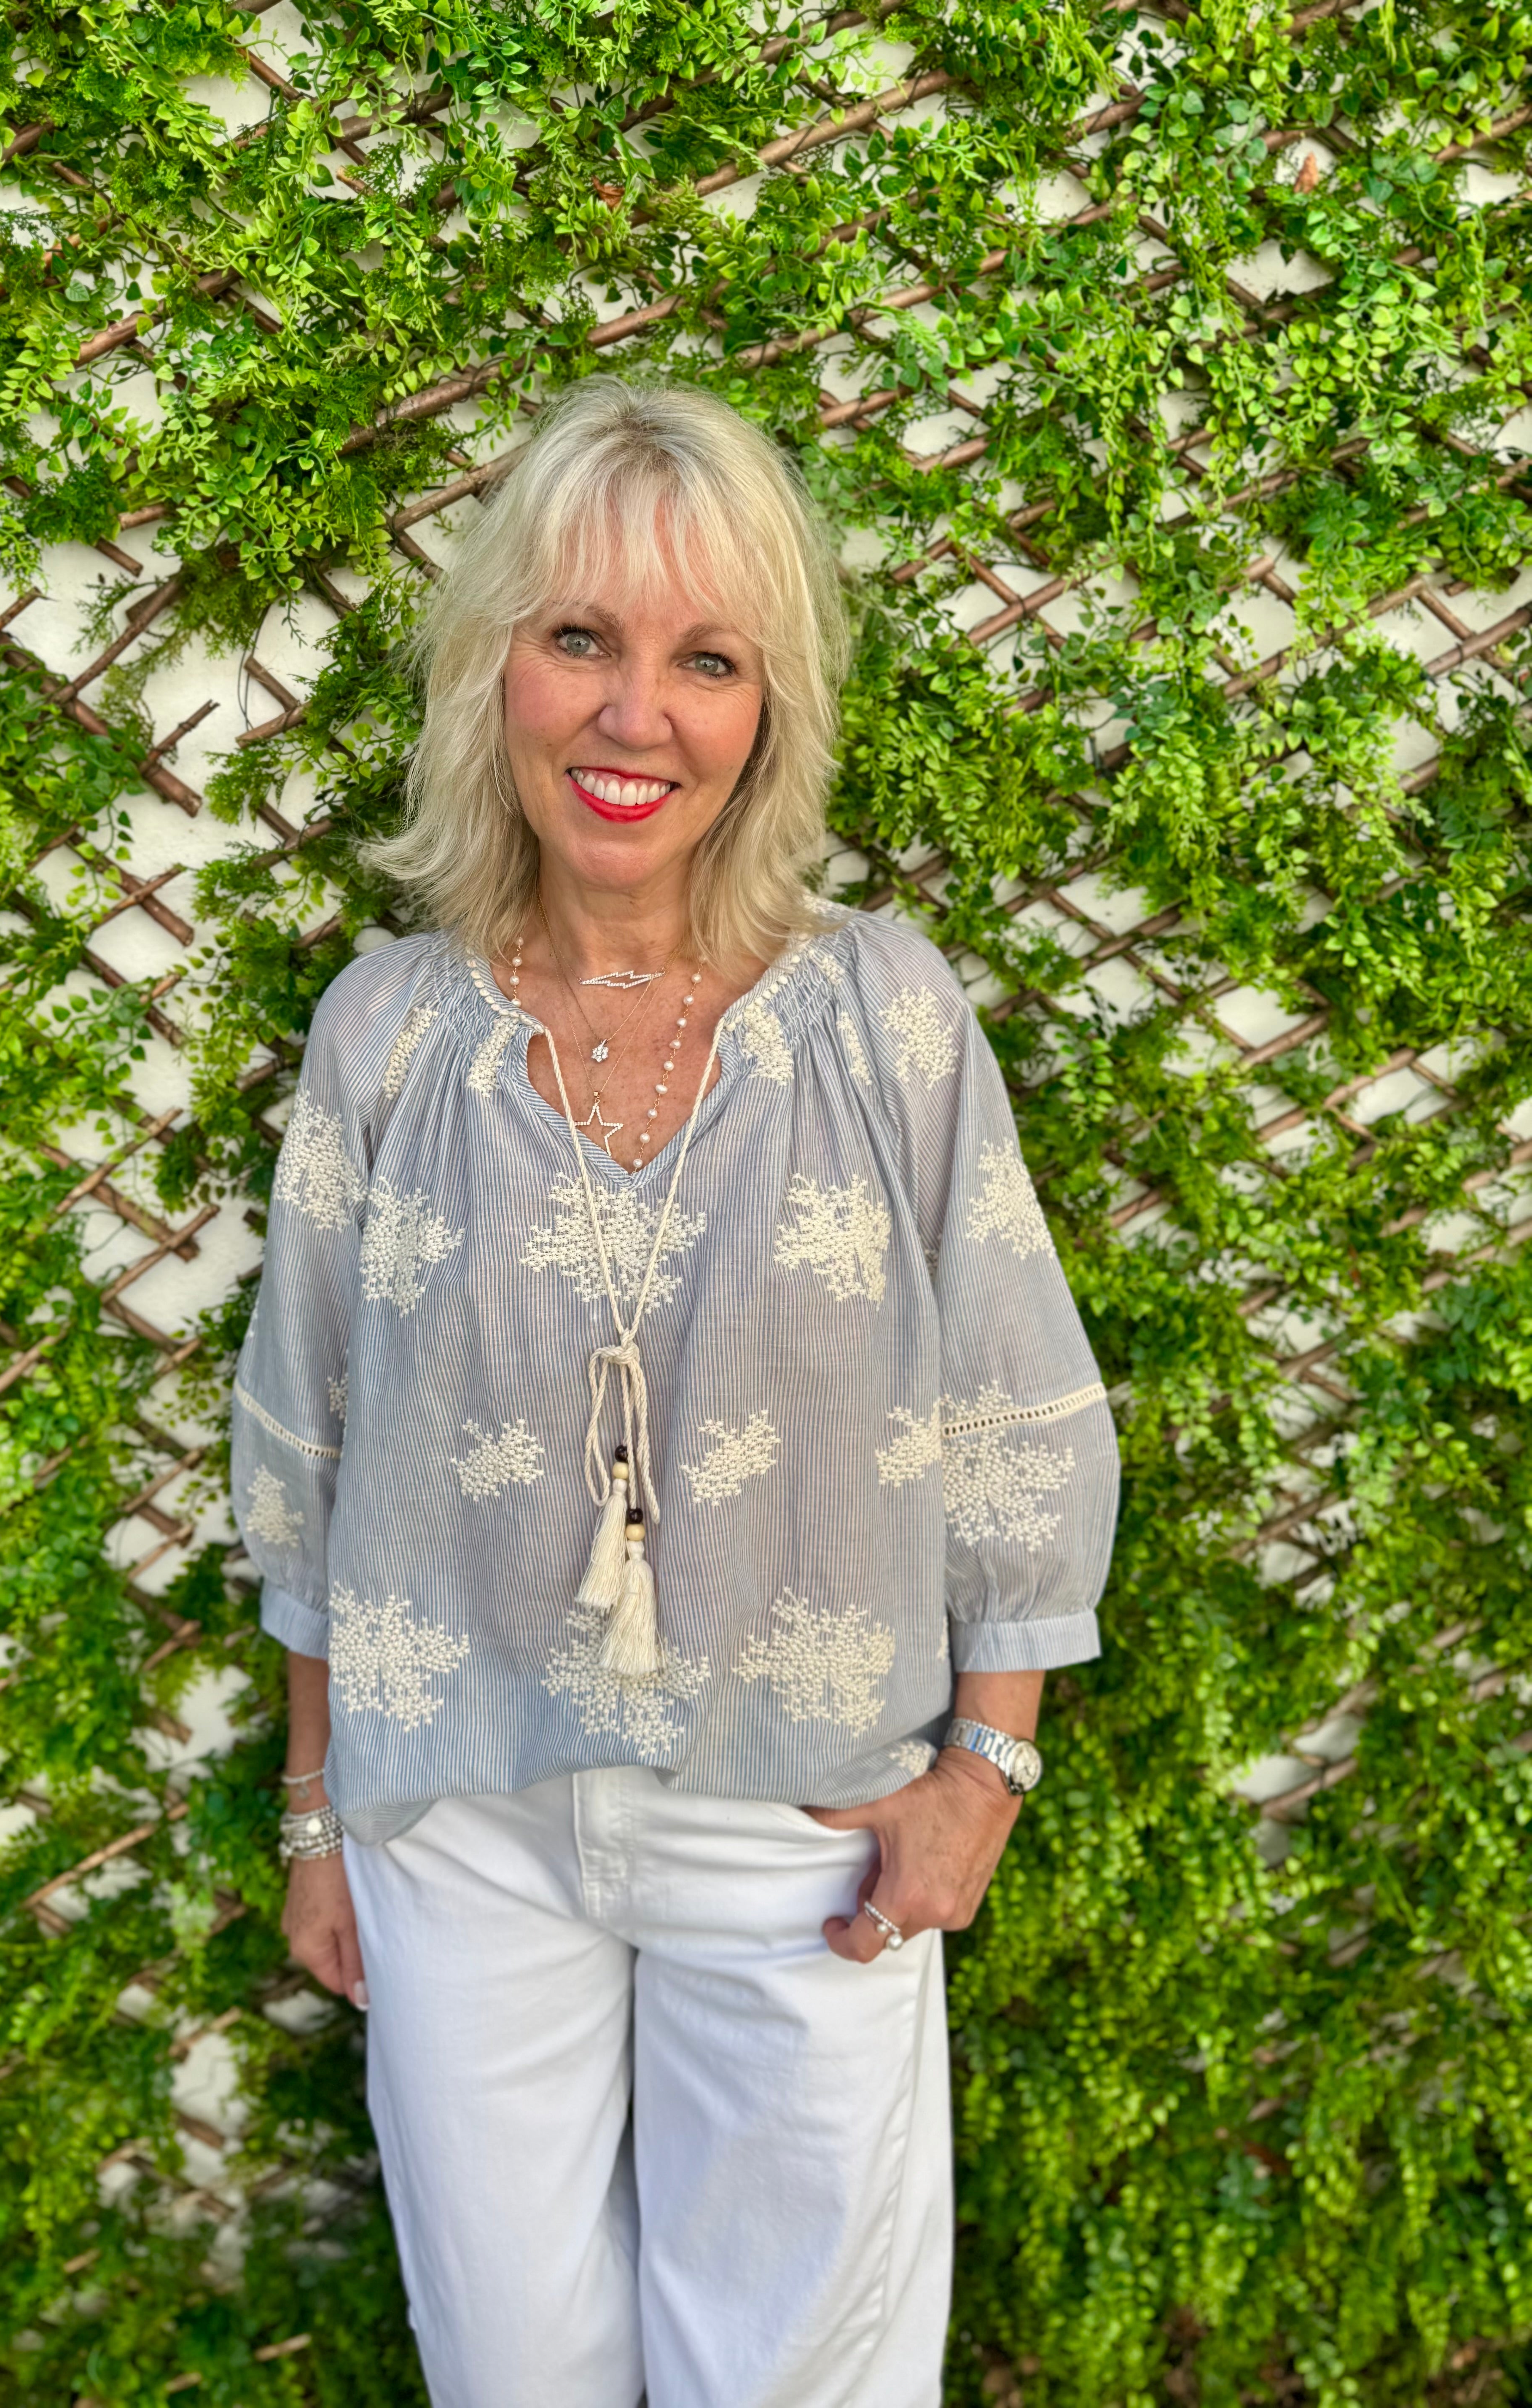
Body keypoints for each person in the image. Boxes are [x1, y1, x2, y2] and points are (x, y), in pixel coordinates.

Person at [229, 374, 1118, 2408]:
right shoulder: (388, 1037)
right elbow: (319, 1451)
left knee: (801, 2382)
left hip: (801, 1836)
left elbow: (1015, 1411)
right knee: (512, 2371)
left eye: (704, 658)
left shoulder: (882, 1016)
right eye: (582, 641)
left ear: (769, 706)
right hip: (467, 1823)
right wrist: (315, 1809)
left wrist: (987, 1773)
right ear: (495, 673)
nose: (637, 715)